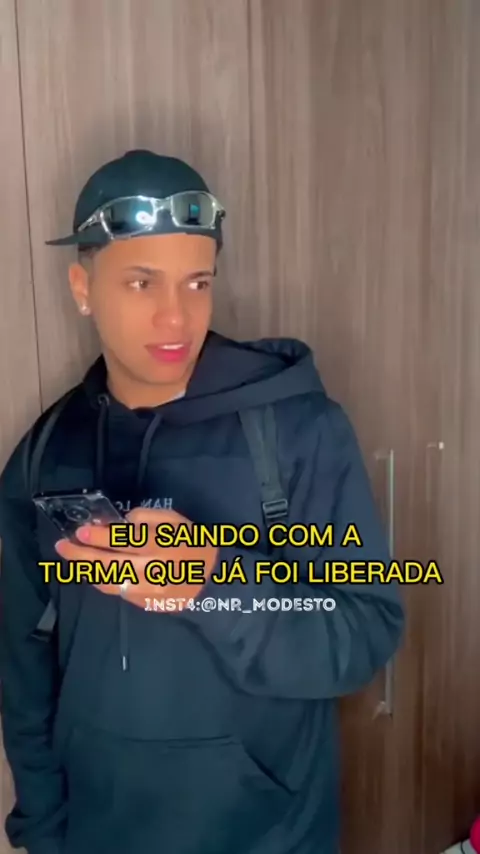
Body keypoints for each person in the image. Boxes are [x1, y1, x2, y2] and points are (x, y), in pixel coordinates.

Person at [0, 149, 404, 854]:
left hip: (268, 836)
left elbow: (366, 628)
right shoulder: (44, 455)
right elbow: (24, 673)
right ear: (82, 286)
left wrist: (212, 587)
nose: (174, 317)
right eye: (141, 282)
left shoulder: (298, 431)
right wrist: (43, 831)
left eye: (197, 282)